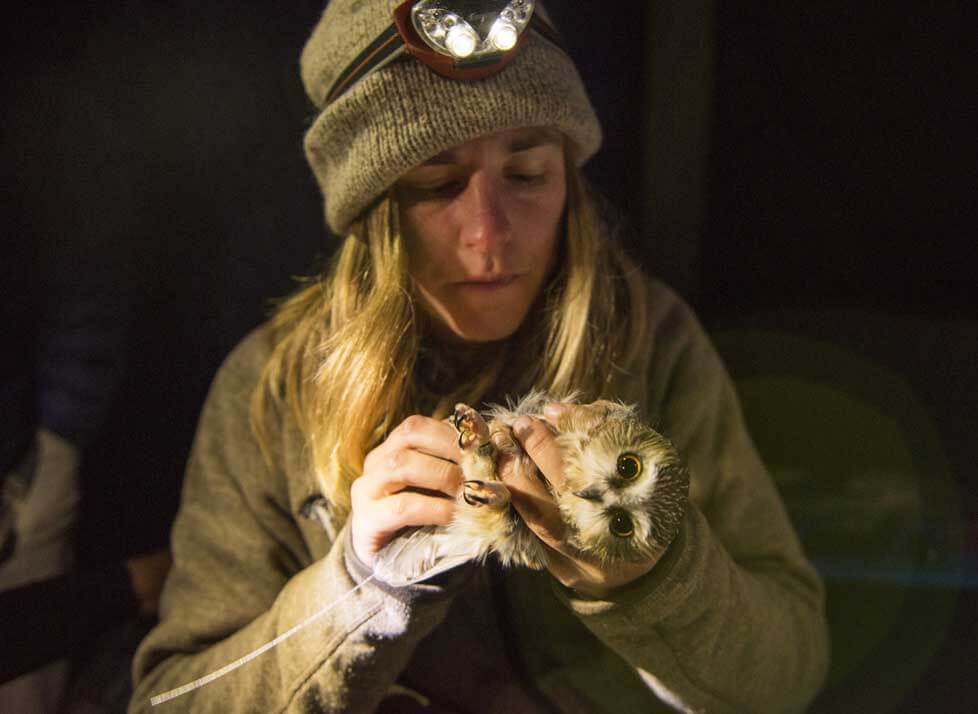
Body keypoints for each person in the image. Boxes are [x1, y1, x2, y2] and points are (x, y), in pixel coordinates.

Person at [129, 1, 829, 711]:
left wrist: (656, 582)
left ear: (570, 179)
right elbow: (170, 700)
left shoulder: (652, 341)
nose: (490, 235)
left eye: (526, 174)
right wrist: (360, 594)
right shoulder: (273, 389)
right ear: (374, 213)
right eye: (436, 186)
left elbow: (786, 675)